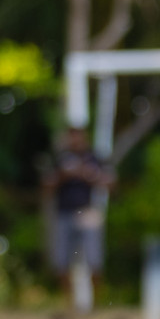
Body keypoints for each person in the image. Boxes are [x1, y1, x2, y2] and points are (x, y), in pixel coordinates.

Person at [44, 126, 113, 301]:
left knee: (94, 259)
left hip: (88, 212)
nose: (75, 141)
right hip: (64, 213)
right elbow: (46, 186)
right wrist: (63, 176)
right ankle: (67, 302)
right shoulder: (59, 159)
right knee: (62, 260)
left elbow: (111, 183)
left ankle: (98, 301)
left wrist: (88, 175)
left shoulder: (94, 158)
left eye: (78, 137)